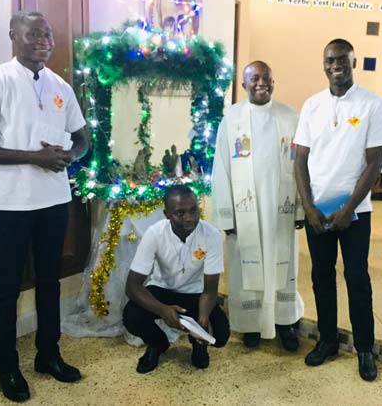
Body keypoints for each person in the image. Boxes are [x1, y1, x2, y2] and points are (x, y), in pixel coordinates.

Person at [0, 11, 88, 402]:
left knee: (50, 281)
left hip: (55, 200)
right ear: (13, 36)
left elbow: (83, 138)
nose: (43, 41)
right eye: (34, 34)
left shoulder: (60, 86)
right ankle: (7, 366)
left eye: (47, 34)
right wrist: (34, 158)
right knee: (8, 287)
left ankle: (48, 354)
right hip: (13, 204)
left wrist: (69, 156)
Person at [294, 39, 382, 381]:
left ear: (353, 62)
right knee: (321, 277)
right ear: (324, 64)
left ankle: (364, 348)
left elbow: (374, 162)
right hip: (318, 211)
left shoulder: (372, 104)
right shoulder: (312, 105)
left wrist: (349, 208)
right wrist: (308, 207)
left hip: (355, 212)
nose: (335, 65)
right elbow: (299, 160)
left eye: (342, 60)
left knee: (357, 278)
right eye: (330, 60)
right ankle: (328, 341)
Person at [211, 61, 304, 351]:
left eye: (266, 78)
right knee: (246, 268)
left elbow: (301, 167)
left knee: (283, 267)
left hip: (280, 210)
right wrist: (226, 216)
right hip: (246, 212)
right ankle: (250, 324)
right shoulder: (231, 119)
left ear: (274, 82)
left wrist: (300, 208)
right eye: (254, 78)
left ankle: (285, 323)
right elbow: (221, 168)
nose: (261, 82)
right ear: (244, 85)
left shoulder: (290, 116)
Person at [123, 185, 229, 373]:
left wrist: (203, 321)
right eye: (180, 213)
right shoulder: (154, 233)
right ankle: (157, 344)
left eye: (193, 210)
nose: (189, 218)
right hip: (162, 290)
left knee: (220, 336)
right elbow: (132, 286)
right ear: (167, 214)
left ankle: (198, 344)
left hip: (196, 293)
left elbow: (210, 290)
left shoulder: (211, 234)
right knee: (132, 316)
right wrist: (163, 310)